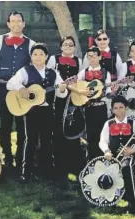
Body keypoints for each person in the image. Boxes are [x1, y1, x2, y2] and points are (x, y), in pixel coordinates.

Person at [6, 43, 67, 183]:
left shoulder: (53, 73)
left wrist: (62, 88)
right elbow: (10, 84)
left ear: (46, 56)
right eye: (35, 54)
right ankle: (25, 172)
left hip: (47, 110)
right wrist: (21, 88)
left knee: (47, 140)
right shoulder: (25, 70)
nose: (38, 57)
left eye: (41, 54)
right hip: (31, 111)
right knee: (30, 140)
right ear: (31, 57)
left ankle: (46, 171)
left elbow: (61, 94)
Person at [0, 11, 36, 168]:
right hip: (3, 87)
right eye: (13, 21)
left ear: (24, 23)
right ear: (8, 24)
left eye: (19, 21)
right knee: (5, 123)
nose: (16, 24)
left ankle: (21, 154)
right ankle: (7, 156)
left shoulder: (31, 44)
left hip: (22, 90)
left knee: (22, 123)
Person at [47, 36, 84, 182]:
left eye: (71, 44)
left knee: (72, 127)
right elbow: (49, 77)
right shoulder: (53, 59)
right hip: (58, 98)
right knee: (58, 129)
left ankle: (74, 163)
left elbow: (80, 79)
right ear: (60, 47)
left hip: (73, 98)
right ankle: (58, 164)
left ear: (74, 47)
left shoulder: (79, 61)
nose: (68, 46)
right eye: (65, 44)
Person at [99, 95, 135, 209]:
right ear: (112, 110)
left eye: (121, 107)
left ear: (126, 108)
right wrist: (106, 151)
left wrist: (133, 150)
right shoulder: (108, 123)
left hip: (128, 156)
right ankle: (109, 199)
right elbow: (102, 141)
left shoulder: (133, 123)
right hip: (112, 155)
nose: (118, 110)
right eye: (116, 108)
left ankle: (131, 200)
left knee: (126, 168)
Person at [69, 47, 114, 160]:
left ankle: (102, 159)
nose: (92, 58)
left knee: (102, 135)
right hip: (88, 108)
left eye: (94, 55)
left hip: (102, 108)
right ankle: (91, 161)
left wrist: (110, 93)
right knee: (90, 135)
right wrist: (81, 91)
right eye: (89, 56)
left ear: (100, 57)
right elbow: (72, 86)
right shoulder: (83, 72)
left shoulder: (105, 73)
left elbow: (108, 90)